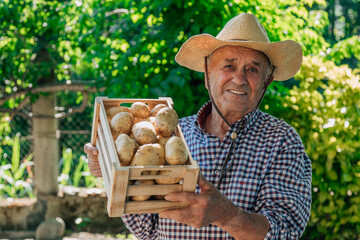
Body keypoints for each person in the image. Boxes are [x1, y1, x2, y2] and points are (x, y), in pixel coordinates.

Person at [84, 13, 312, 239]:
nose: (239, 79)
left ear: (266, 81)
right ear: (207, 74)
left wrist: (227, 215)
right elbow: (148, 230)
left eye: (252, 70)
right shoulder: (174, 137)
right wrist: (111, 169)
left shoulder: (282, 142)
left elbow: (286, 232)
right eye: (229, 66)